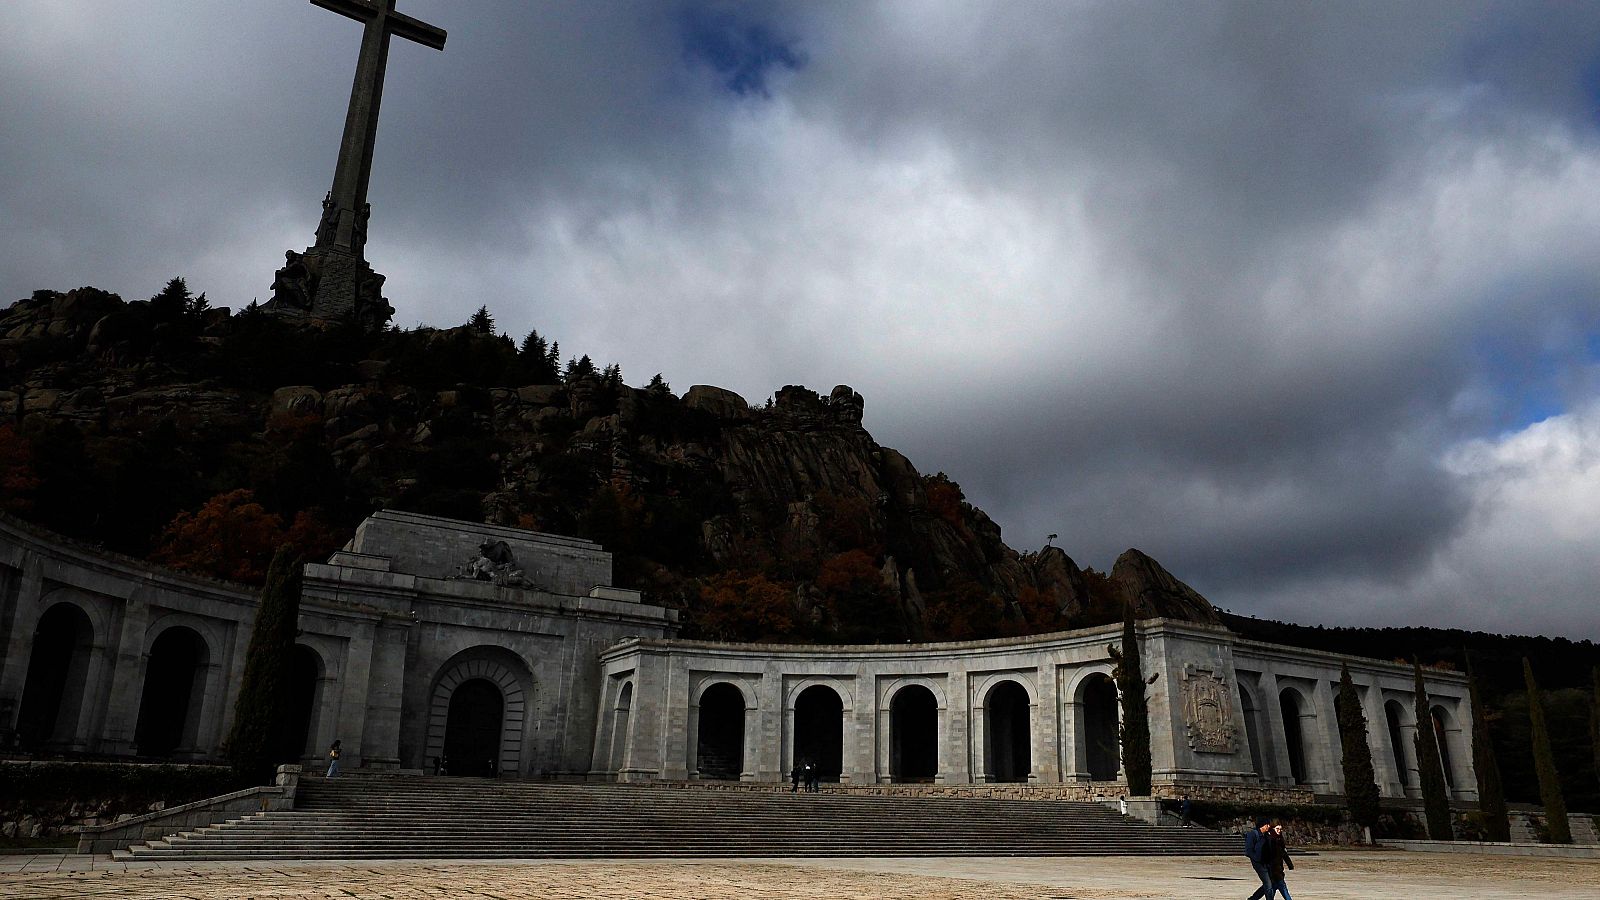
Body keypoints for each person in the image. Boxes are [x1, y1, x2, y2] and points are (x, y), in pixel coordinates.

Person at [1244, 817, 1275, 900]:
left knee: (1270, 883)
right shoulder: (1253, 834)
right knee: (1268, 884)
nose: (1269, 826)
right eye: (1267, 825)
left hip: (1267, 862)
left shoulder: (1266, 835)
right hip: (1258, 864)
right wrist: (1257, 858)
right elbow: (1248, 851)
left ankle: (1253, 899)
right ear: (1263, 825)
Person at [1267, 823, 1295, 900]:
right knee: (1281, 888)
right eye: (1277, 829)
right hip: (1273, 870)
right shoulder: (1270, 841)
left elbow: (1284, 854)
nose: (1279, 831)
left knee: (1274, 888)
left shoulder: (1279, 840)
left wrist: (1290, 865)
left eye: (1280, 829)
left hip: (1278, 869)